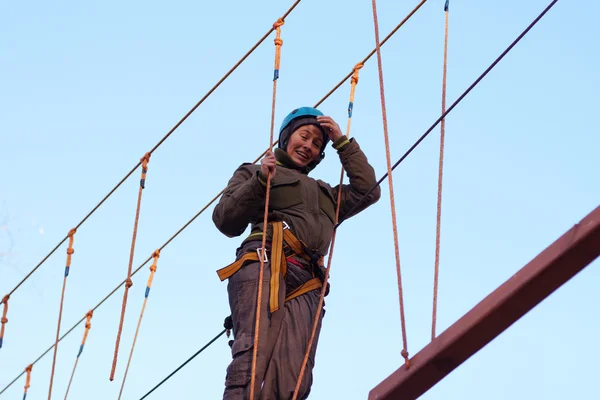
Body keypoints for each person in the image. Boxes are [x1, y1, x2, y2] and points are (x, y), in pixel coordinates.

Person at [212, 106, 381, 399]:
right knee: (254, 354)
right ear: (287, 137)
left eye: (317, 144)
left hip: (308, 281)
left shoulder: (327, 194)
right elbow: (225, 219)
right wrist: (261, 180)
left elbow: (369, 189)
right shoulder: (255, 171)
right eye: (304, 136)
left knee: (295, 378)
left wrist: (342, 143)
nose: (309, 146)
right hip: (265, 261)